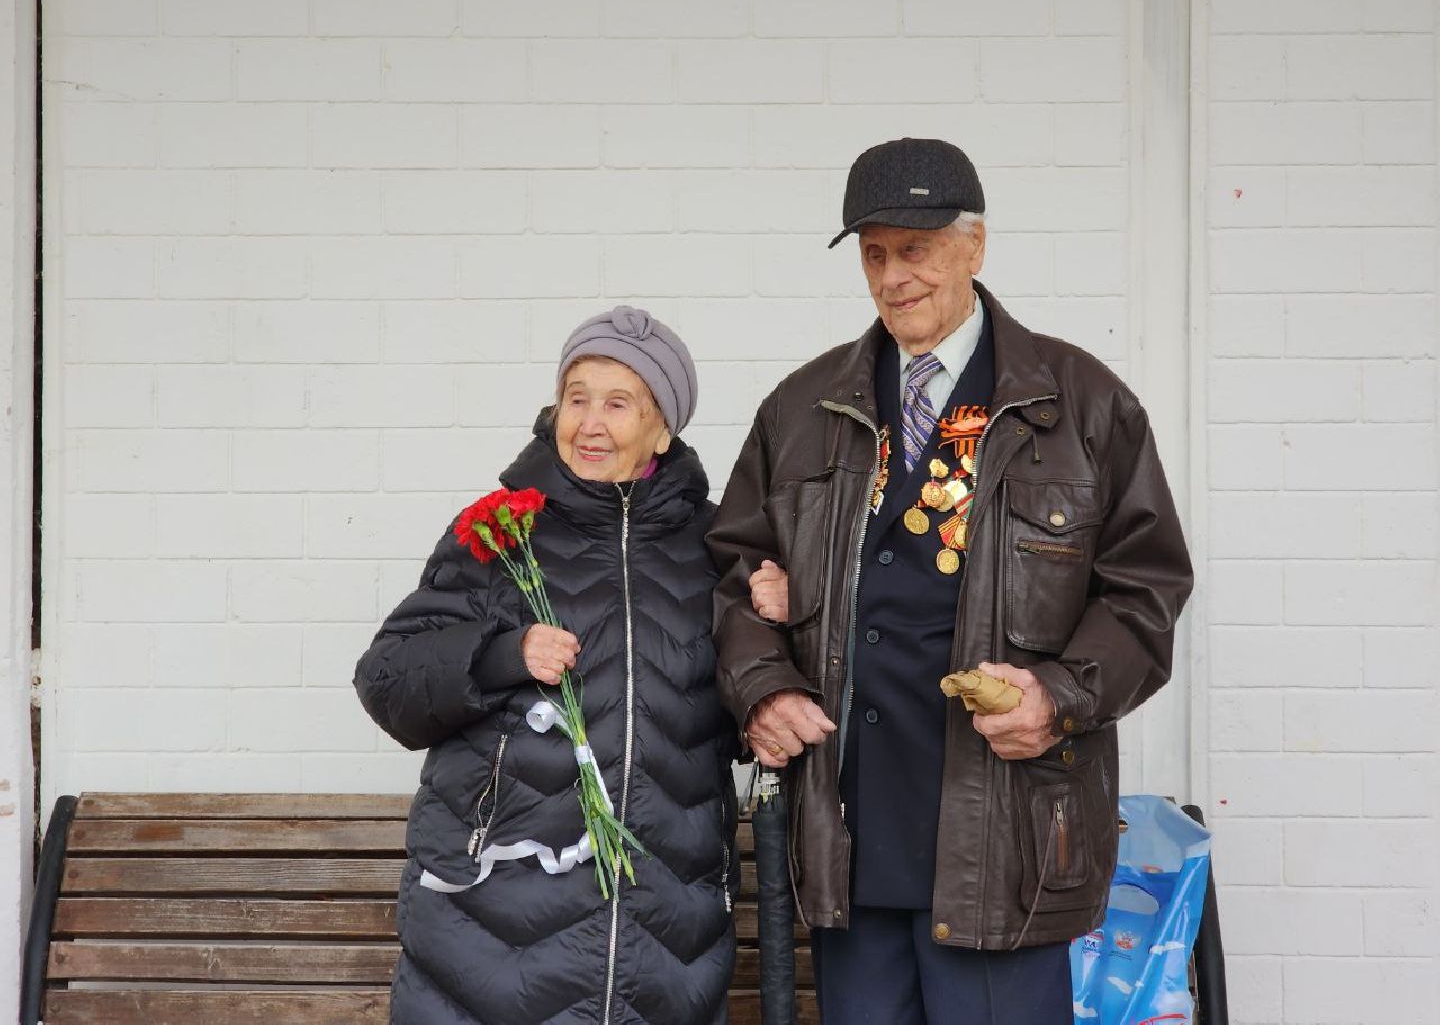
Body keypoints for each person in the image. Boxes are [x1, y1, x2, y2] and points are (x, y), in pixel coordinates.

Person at [708, 138, 1193, 1024]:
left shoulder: (1081, 404)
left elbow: (1145, 590)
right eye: (875, 254)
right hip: (850, 830)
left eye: (916, 249)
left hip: (1004, 832)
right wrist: (763, 687)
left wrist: (1058, 694)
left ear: (974, 246)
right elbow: (732, 576)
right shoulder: (802, 409)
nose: (895, 276)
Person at [356, 306, 736, 1024]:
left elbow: (752, 714)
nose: (589, 423)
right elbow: (387, 681)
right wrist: (504, 655)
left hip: (665, 933)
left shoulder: (716, 545)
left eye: (618, 403)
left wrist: (774, 621)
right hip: (492, 933)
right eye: (576, 397)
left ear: (663, 428)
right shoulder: (502, 529)